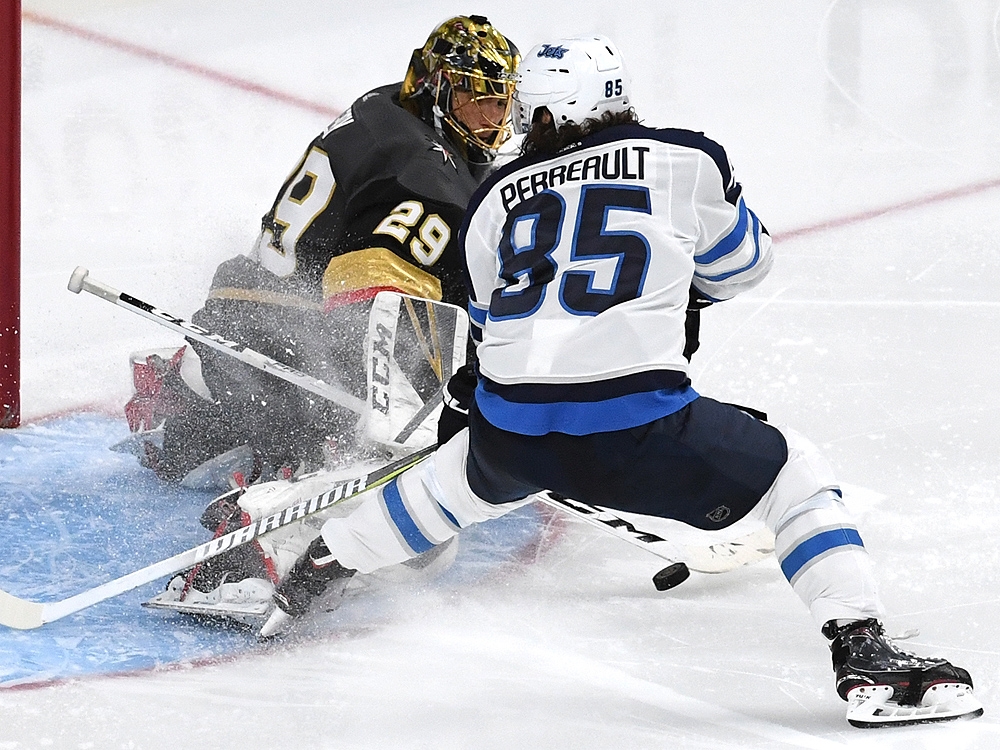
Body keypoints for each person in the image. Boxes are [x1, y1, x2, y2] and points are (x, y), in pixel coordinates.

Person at [258, 36, 983, 728]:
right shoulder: (684, 159)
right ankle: (864, 653)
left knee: (447, 489)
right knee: (794, 471)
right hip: (639, 427)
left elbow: (491, 320)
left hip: (510, 428)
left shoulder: (496, 195)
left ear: (543, 112)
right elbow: (745, 266)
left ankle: (316, 573)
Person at [124, 15, 520, 484]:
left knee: (209, 445)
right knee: (324, 454)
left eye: (502, 101)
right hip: (278, 340)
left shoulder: (390, 105)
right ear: (438, 90)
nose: (494, 119)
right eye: (479, 100)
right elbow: (374, 303)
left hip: (248, 307)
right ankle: (194, 393)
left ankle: (184, 385)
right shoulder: (420, 172)